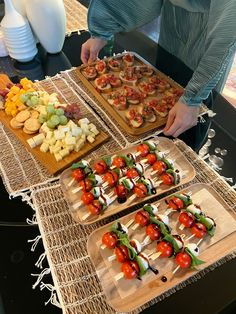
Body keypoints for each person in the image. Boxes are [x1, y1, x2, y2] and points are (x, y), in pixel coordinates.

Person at [81, 0, 236, 137]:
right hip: (172, 19)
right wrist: (103, 29)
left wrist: (193, 100)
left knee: (189, 123)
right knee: (161, 90)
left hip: (214, 35)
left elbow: (227, 30)